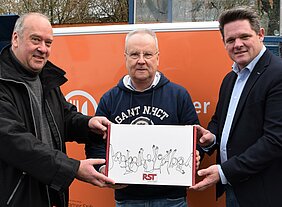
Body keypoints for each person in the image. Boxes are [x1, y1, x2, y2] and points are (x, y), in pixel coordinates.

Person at [0, 12, 115, 207]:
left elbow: (64, 117)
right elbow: (14, 142)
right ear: (16, 39)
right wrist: (73, 169)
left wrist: (87, 124)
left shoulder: (45, 78)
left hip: (51, 196)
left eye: (48, 42)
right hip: (15, 198)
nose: (42, 49)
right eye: (35, 40)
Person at [85, 28, 201, 207]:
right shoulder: (110, 99)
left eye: (147, 54)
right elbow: (95, 144)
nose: (141, 61)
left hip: (172, 199)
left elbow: (196, 139)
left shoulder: (178, 95)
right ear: (125, 58)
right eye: (134, 54)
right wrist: (104, 169)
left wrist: (194, 156)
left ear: (157, 57)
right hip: (128, 199)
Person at [190, 7, 282, 207]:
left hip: (265, 193)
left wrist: (224, 171)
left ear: (261, 35)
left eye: (244, 37)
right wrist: (211, 138)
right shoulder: (230, 78)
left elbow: (275, 140)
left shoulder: (277, 74)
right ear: (224, 43)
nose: (237, 44)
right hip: (234, 189)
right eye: (230, 40)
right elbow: (219, 120)